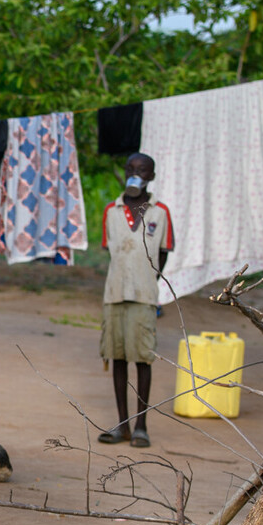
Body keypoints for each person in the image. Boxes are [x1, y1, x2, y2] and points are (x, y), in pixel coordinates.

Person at [97, 153, 174, 448]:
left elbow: (163, 253)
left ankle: (141, 426)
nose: (135, 173)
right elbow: (112, 252)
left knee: (142, 358)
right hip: (114, 294)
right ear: (126, 172)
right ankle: (122, 425)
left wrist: (146, 280)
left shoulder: (160, 213)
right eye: (130, 168)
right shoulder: (111, 211)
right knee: (116, 356)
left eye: (142, 170)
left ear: (150, 177)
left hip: (144, 296)